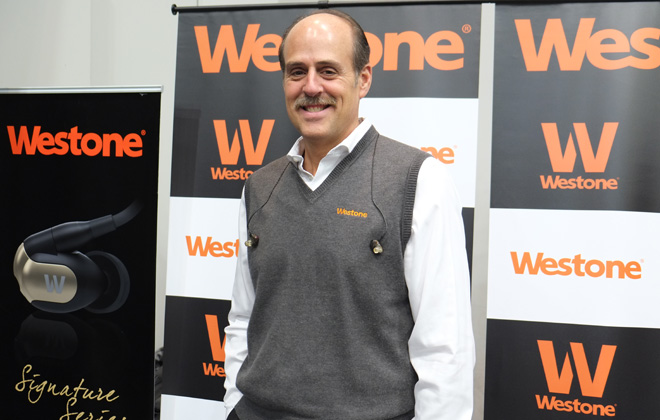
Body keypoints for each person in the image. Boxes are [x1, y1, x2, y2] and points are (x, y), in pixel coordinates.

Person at [223, 9, 474, 420]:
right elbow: (243, 318)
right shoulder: (259, 187)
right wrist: (235, 402)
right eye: (297, 72)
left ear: (364, 79)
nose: (311, 87)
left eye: (328, 71)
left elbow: (445, 348)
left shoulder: (419, 180)